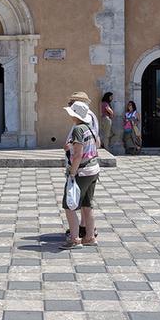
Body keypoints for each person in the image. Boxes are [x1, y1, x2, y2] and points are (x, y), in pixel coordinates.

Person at [61, 100, 101, 249]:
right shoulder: (90, 128)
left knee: (69, 205)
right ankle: (90, 237)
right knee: (87, 205)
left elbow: (78, 155)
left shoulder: (78, 129)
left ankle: (74, 239)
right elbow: (97, 145)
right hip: (93, 169)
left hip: (82, 172)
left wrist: (72, 173)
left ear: (75, 115)